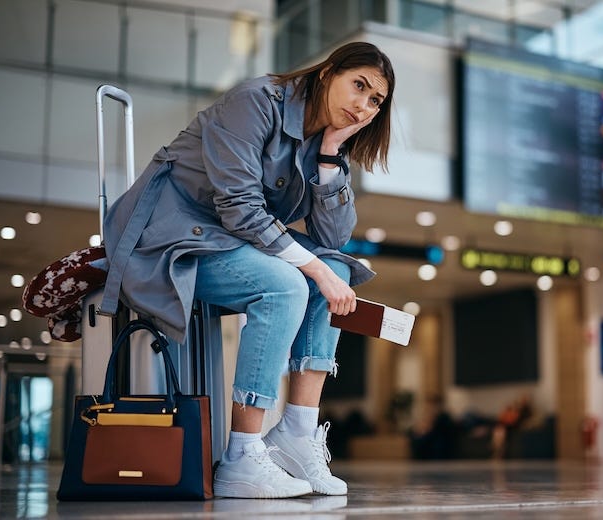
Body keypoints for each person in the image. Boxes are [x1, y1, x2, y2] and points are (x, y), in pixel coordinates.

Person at [100, 42, 395, 498]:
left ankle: (297, 434)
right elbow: (238, 207)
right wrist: (313, 269)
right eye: (359, 86)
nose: (363, 105)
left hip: (226, 238)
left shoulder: (325, 139)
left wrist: (332, 153)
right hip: (167, 232)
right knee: (286, 286)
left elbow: (332, 237)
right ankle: (242, 456)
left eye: (376, 100)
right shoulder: (255, 101)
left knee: (335, 266)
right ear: (327, 73)